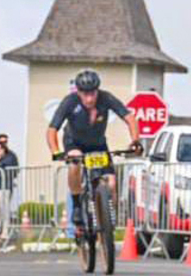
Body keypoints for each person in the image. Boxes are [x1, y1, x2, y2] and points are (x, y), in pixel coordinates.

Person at [45, 70, 142, 226]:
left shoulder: (106, 98)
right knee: (75, 162)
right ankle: (77, 204)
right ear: (78, 92)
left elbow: (129, 118)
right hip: (74, 142)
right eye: (85, 94)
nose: (89, 98)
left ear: (97, 91)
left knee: (111, 183)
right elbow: (51, 130)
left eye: (93, 94)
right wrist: (56, 152)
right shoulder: (70, 102)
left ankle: (106, 220)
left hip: (97, 144)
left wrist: (135, 140)